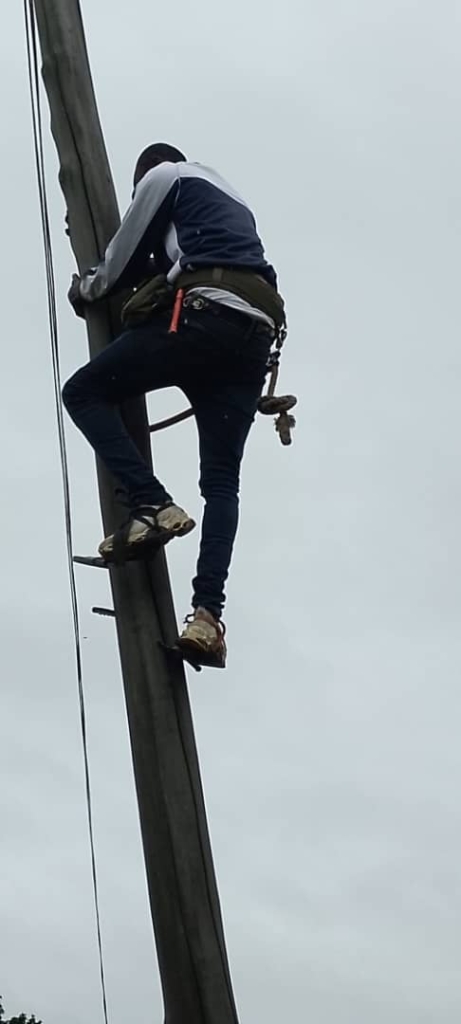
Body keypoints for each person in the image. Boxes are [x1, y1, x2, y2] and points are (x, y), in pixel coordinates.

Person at [63, 143, 286, 668]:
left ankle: (151, 504)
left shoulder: (166, 176)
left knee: (84, 392)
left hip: (204, 317)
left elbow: (119, 260)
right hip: (253, 338)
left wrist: (88, 287)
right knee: (222, 484)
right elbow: (161, 265)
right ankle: (207, 617)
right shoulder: (230, 205)